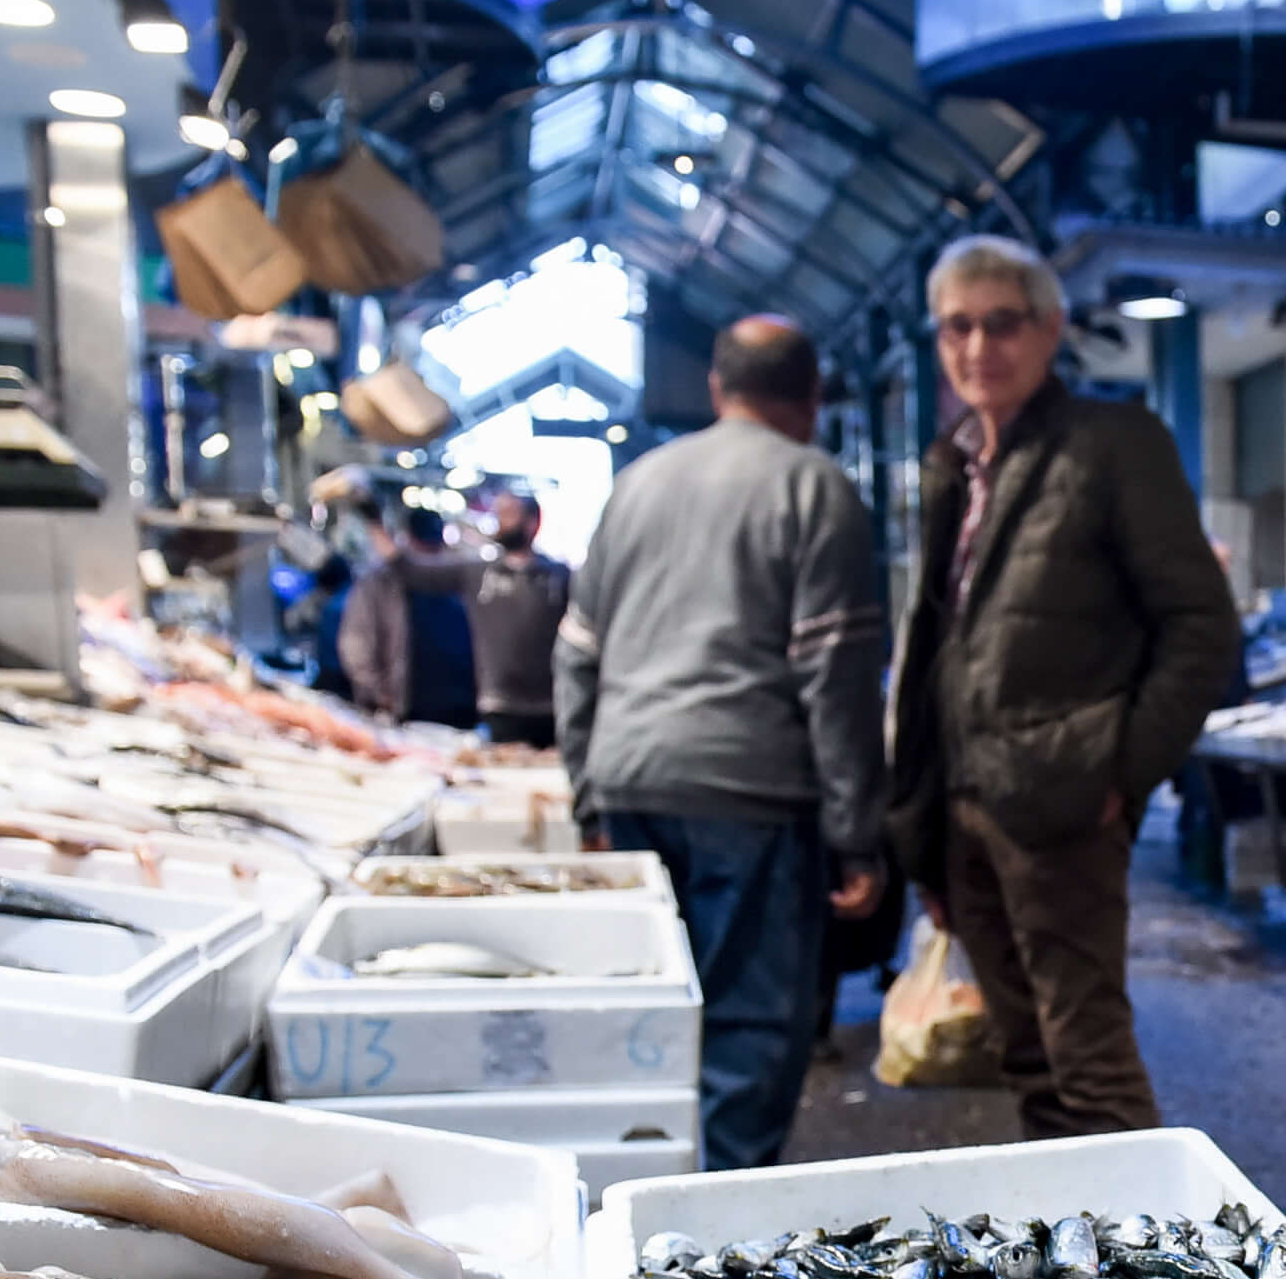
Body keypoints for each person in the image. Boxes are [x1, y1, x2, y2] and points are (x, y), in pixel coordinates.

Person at [886, 236, 1234, 1139]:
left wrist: (1121, 771)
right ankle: (1078, 1264)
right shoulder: (951, 464)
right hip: (964, 804)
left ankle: (1156, 1264)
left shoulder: (1112, 444)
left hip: (1066, 800)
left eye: (1002, 323)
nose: (977, 348)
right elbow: (938, 646)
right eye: (957, 327)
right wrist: (919, 819)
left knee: (1090, 1059)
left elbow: (1201, 626)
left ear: (1051, 329)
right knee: (1026, 1059)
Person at [553, 315, 889, 1172]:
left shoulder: (637, 484)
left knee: (650, 1013)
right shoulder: (818, 489)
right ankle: (713, 1236)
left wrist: (588, 794)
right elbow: (837, 678)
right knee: (749, 1021)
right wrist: (858, 832)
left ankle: (633, 1198)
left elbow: (577, 653)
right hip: (752, 794)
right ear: (813, 398)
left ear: (716, 388)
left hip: (631, 781)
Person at [340, 506, 477, 729]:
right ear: (407, 540)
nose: (428, 555)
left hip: (463, 710)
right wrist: (379, 693)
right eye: (422, 546)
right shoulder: (379, 582)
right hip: (405, 709)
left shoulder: (454, 578)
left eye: (433, 547)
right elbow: (355, 642)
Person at [464, 492, 571, 750]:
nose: (500, 521)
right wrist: (372, 518)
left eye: (508, 514)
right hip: (499, 706)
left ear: (532, 522)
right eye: (498, 513)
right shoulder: (478, 573)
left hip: (552, 707)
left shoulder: (560, 577)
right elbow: (407, 568)